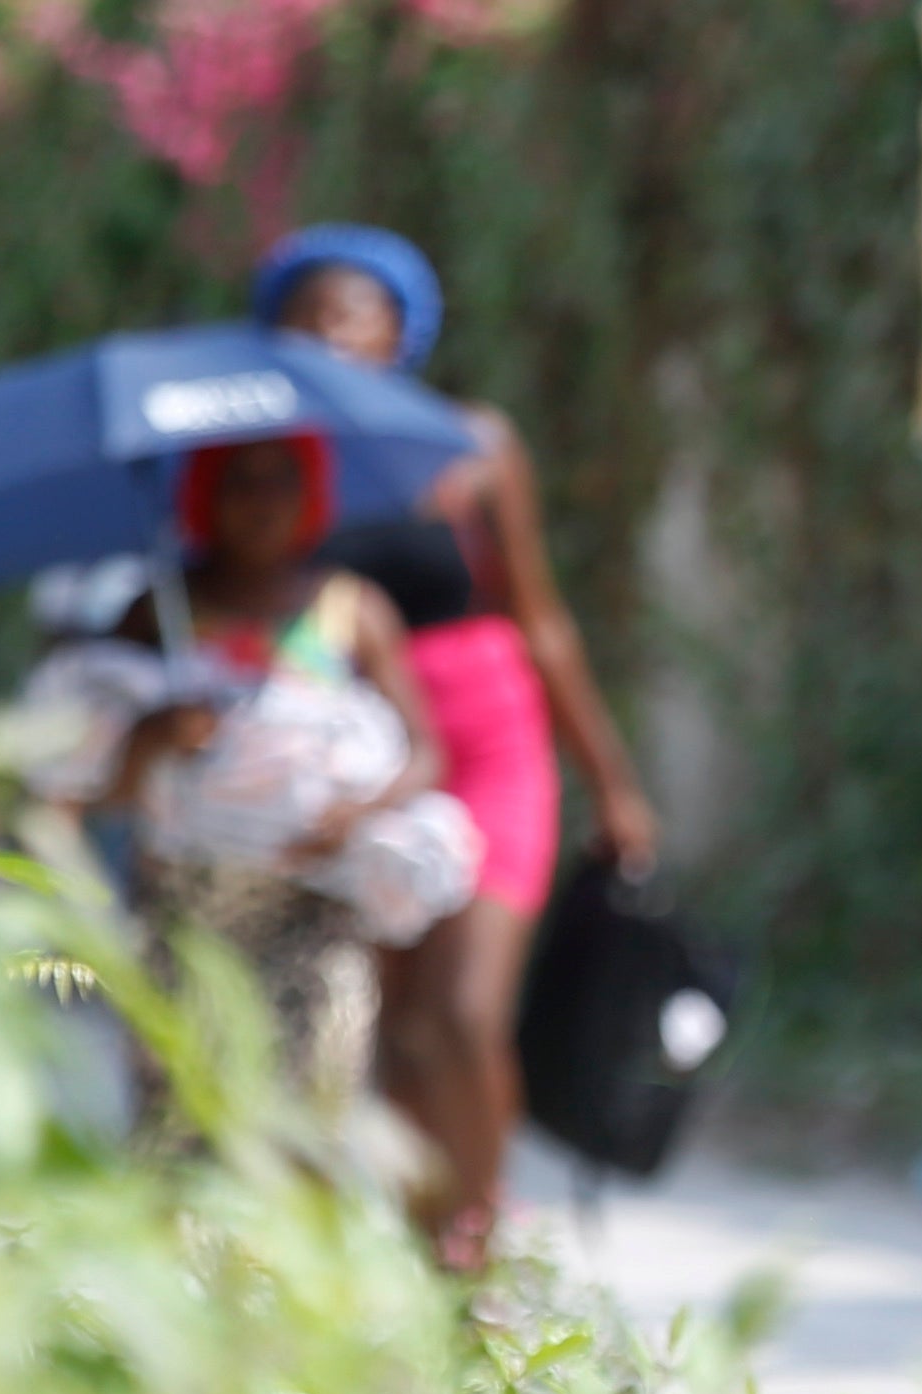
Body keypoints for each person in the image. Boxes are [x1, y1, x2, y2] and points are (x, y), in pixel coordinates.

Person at [257, 224, 659, 1265]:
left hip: (488, 743)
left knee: (466, 1013)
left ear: (400, 332)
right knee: (396, 1027)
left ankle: (478, 1243)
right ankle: (418, 1248)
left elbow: (541, 617)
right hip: (368, 754)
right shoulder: (274, 470)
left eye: (350, 315)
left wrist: (612, 782)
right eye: (304, 319)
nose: (327, 335)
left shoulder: (471, 446)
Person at [108, 433, 455, 1114]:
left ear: (311, 496)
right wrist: (150, 740)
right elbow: (97, 781)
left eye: (282, 482)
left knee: (311, 1109)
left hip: (312, 909)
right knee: (184, 1118)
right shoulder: (159, 613)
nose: (262, 503)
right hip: (187, 914)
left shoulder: (352, 611)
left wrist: (359, 813)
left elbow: (426, 753)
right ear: (207, 496)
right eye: (241, 482)